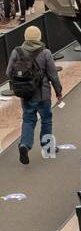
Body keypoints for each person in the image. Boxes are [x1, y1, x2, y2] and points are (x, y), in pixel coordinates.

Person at [6, 25, 62, 164]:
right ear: (39, 37)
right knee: (46, 120)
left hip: (26, 94)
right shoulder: (45, 53)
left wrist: (21, 83)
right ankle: (48, 149)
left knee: (28, 119)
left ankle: (25, 144)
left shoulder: (16, 52)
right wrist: (58, 91)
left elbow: (8, 73)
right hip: (43, 94)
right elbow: (53, 75)